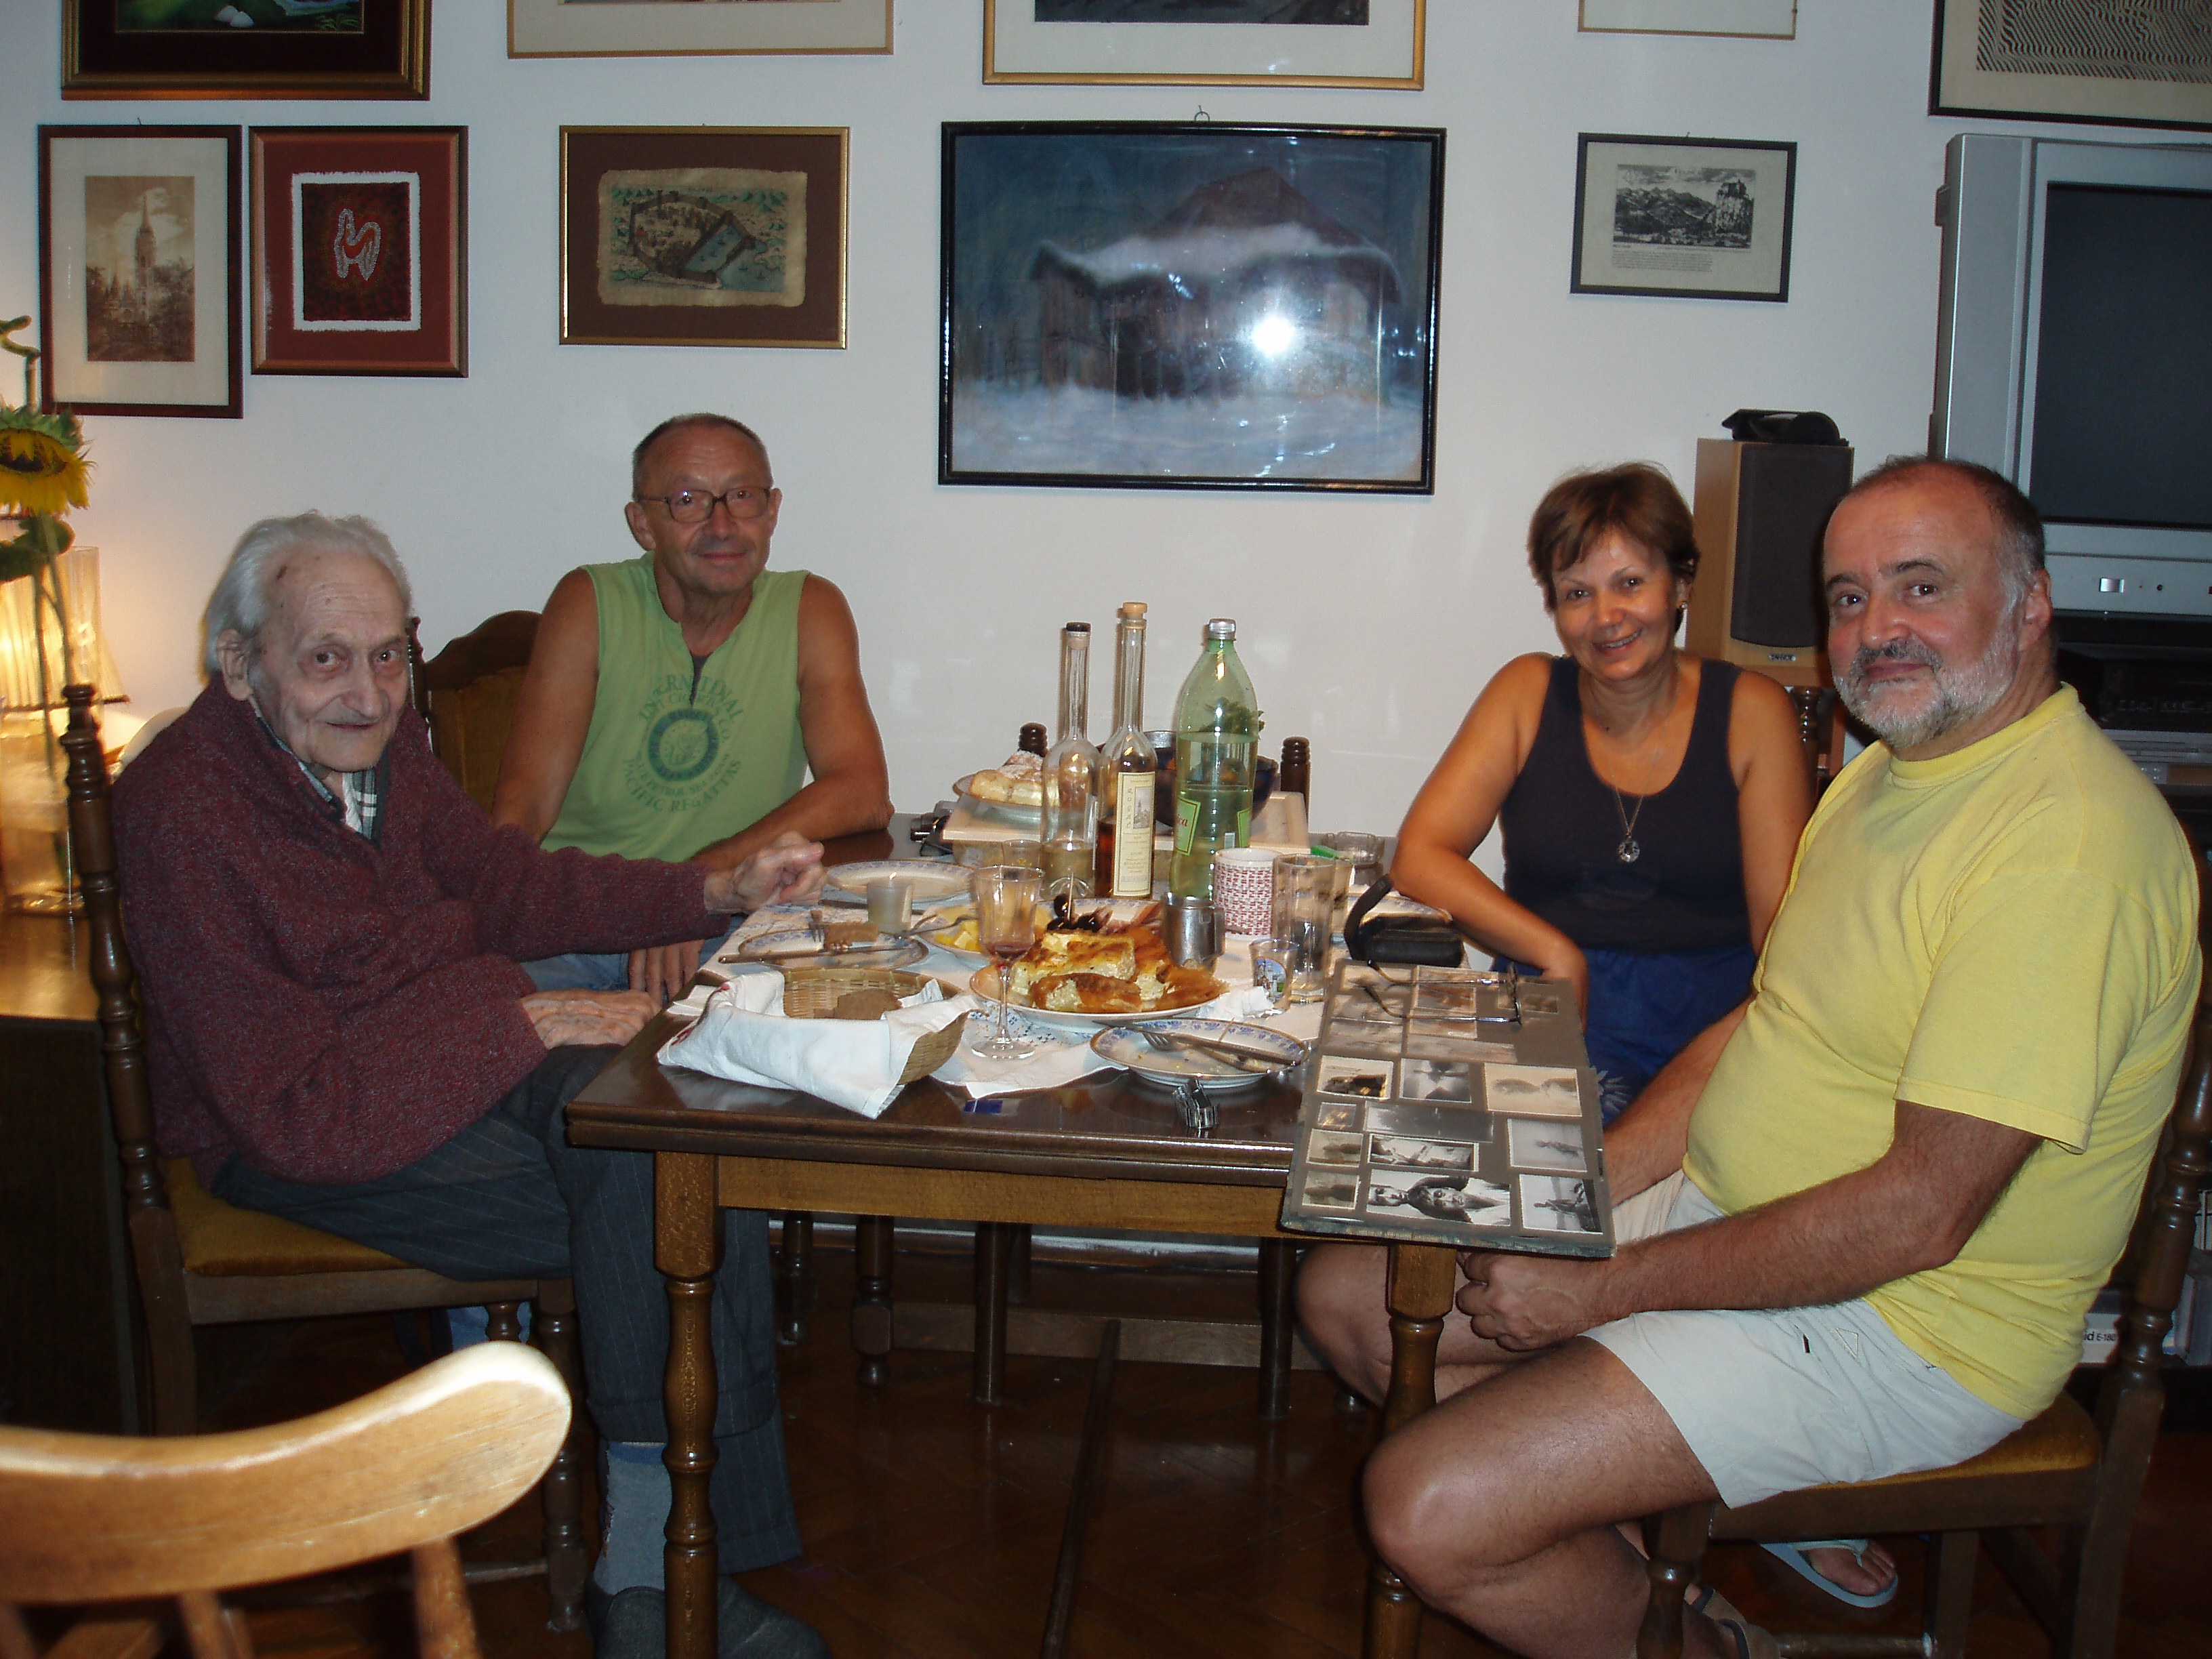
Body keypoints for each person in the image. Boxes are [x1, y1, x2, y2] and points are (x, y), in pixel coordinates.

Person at [1297, 458, 2200, 1658]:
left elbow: (1918, 1216)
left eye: (1921, 586)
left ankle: (1704, 1631)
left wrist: (1605, 1286)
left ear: (2029, 602)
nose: (1875, 628)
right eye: (1848, 598)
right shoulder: (1889, 778)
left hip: (1900, 1323)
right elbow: (1764, 1020)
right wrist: (1590, 1190)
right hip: (1735, 1210)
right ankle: (1651, 1580)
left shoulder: (2062, 852)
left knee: (1427, 1507)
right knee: (1348, 1297)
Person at [113, 513, 832, 1659]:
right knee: (669, 1200)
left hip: (440, 1050)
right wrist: (526, 1019)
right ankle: (657, 1585)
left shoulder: (378, 751)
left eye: (387, 654)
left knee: (678, 1132)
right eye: (325, 659)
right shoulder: (184, 811)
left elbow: (503, 885)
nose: (367, 693)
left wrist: (710, 891)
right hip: (297, 1129)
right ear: (239, 664)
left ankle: (671, 1564)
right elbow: (298, 1114)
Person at [1391, 464, 1813, 1121]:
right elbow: (1419, 856)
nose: (1606, 617)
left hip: (1709, 1034)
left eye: (1631, 583)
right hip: (1550, 1011)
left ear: (1682, 584)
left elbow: (1782, 940)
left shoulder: (1754, 713)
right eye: (1577, 593)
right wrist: (1553, 950)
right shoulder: (1526, 692)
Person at [493, 412, 894, 1004]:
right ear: (643, 523)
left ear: (773, 511)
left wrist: (693, 891)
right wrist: (653, 904)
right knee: (465, 1030)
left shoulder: (809, 608)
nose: (722, 525)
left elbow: (863, 791)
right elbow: (524, 807)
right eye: (688, 501)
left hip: (729, 920)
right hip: (580, 927)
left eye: (742, 497)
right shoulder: (589, 602)